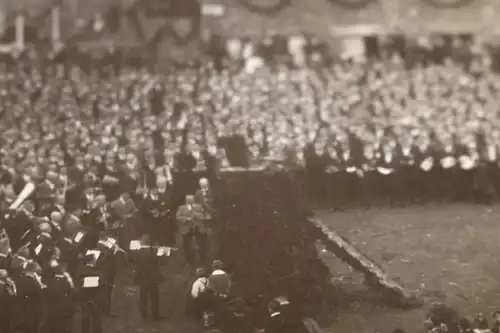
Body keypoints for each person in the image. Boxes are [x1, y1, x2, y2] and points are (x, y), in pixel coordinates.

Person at [133, 234, 164, 321]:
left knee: (143, 297)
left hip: (142, 277)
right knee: (154, 297)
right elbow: (158, 261)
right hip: (152, 277)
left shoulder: (139, 252)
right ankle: (155, 315)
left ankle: (143, 315)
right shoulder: (152, 252)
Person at [176, 194, 206, 264]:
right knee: (187, 245)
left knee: (200, 244)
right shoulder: (181, 208)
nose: (190, 201)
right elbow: (178, 216)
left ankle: (202, 259)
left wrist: (198, 216)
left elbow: (203, 215)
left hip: (197, 228)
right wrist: (186, 219)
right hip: (187, 229)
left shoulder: (199, 206)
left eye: (192, 199)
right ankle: (189, 260)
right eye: (189, 200)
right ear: (186, 200)